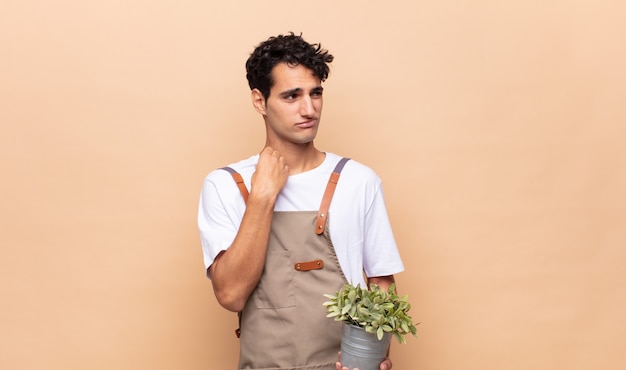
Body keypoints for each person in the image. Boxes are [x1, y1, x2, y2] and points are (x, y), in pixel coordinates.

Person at [198, 32, 404, 370]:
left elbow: (381, 283)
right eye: (291, 96)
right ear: (259, 101)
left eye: (315, 94)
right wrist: (263, 195)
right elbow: (231, 295)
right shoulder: (225, 185)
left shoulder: (359, 180)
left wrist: (374, 356)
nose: (308, 109)